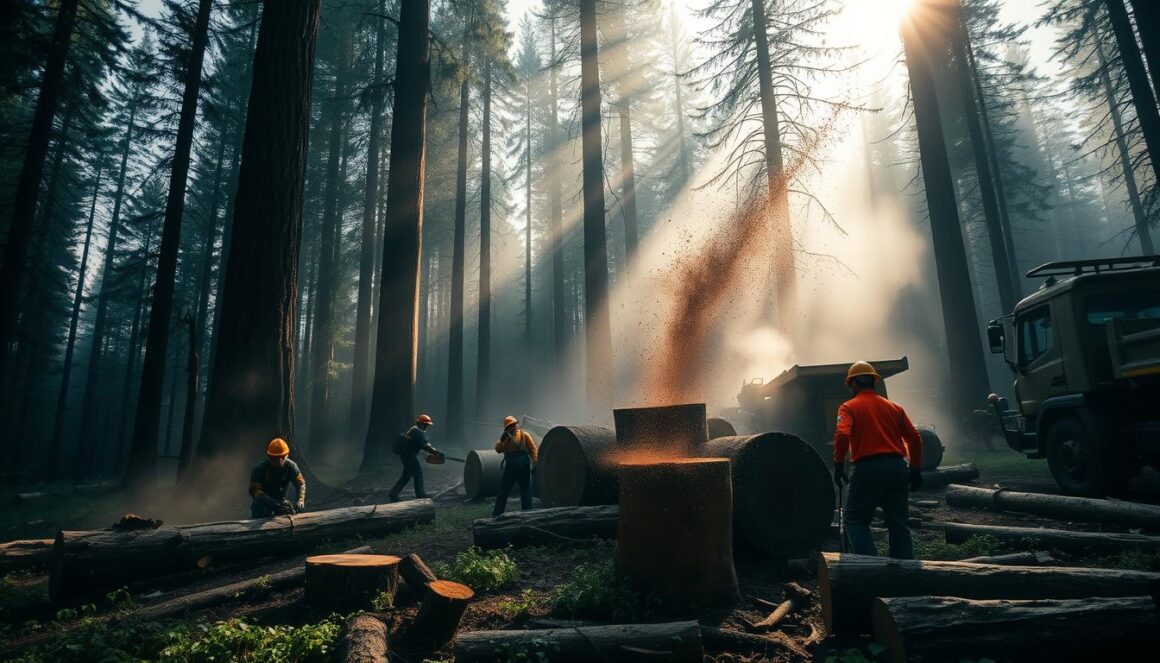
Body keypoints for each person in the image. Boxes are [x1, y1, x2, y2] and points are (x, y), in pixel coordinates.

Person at [832, 361, 923, 559]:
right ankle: (904, 574)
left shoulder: (848, 407)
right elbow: (915, 438)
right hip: (898, 468)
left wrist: (838, 464)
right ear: (874, 381)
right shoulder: (894, 408)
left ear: (853, 384)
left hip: (868, 469)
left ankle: (870, 567)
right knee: (898, 524)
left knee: (855, 519)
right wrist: (915, 469)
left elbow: (842, 434)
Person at [492, 416, 538, 517]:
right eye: (510, 426)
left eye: (512, 426)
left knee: (518, 491)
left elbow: (533, 450)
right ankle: (527, 515)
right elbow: (498, 449)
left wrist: (535, 463)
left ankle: (497, 516)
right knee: (511, 492)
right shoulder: (506, 439)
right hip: (517, 467)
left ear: (515, 425)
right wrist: (502, 439)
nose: (512, 428)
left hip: (517, 467)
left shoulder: (524, 435)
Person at [389, 414, 442, 502]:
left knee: (406, 476)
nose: (426, 427)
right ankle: (420, 495)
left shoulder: (414, 430)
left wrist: (435, 451)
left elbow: (423, 443)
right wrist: (436, 453)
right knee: (418, 473)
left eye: (427, 425)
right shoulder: (418, 432)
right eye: (425, 425)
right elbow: (425, 446)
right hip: (409, 456)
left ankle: (393, 494)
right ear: (420, 423)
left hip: (406, 455)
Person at [250, 438, 306, 518]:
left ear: (287, 455)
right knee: (258, 510)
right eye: (275, 458)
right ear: (269, 457)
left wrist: (300, 500)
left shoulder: (291, 466)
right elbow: (254, 490)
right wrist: (270, 502)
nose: (279, 460)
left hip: (280, 501)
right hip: (263, 501)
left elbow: (300, 483)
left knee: (288, 514)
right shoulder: (260, 469)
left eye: (282, 457)